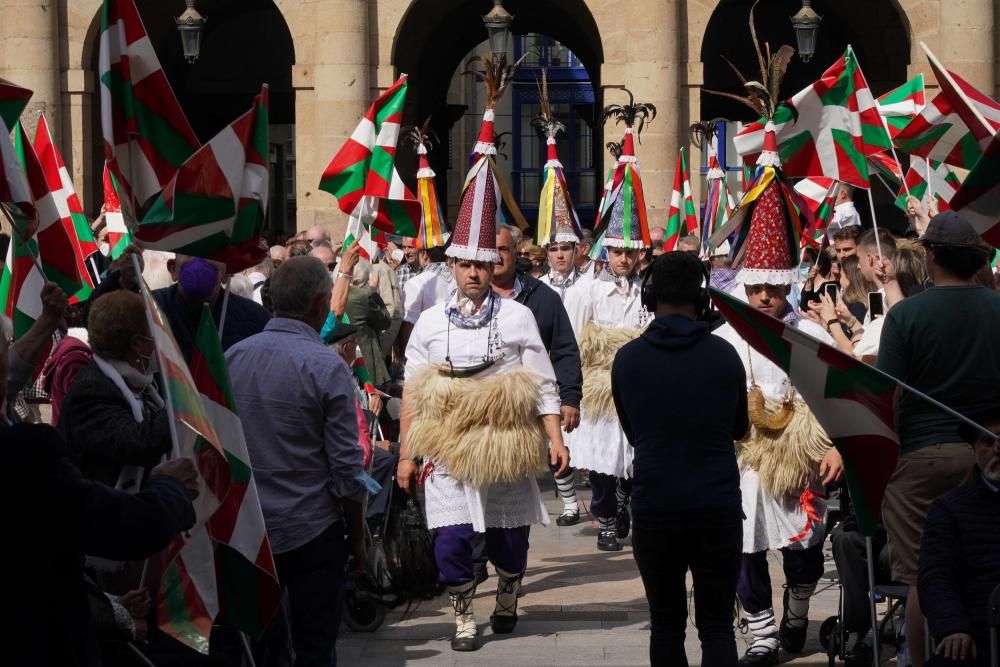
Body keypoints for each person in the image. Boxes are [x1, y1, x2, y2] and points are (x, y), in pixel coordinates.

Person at [396, 104, 570, 653]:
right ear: (451, 264)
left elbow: (542, 381)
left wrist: (556, 437)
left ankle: (510, 589)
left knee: (509, 542)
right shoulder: (426, 322)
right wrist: (404, 454)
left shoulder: (518, 316)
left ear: (497, 264)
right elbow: (412, 394)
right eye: (465, 263)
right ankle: (464, 616)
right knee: (450, 541)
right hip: (447, 448)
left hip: (502, 445)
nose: (475, 272)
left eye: (484, 263)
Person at [710, 134, 844, 663]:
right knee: (744, 547)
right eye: (756, 286)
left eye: (774, 286)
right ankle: (762, 631)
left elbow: (837, 396)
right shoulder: (721, 338)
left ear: (788, 283)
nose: (765, 296)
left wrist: (826, 446)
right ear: (743, 283)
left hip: (798, 457)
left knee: (804, 550)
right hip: (742, 458)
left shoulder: (812, 336)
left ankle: (796, 610)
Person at [2, 318, 198, 667]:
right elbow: (120, 523)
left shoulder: (137, 384)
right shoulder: (26, 453)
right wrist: (170, 485)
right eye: (7, 347)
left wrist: (108, 604)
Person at [225, 256, 369, 666]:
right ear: (321, 305)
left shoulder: (234, 357)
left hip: (253, 528)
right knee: (314, 645)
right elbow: (346, 466)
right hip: (310, 529)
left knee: (263, 644)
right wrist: (357, 534)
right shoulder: (326, 366)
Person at [612, 252, 749, 667]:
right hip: (716, 505)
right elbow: (739, 428)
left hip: (657, 506)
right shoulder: (724, 355)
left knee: (666, 624)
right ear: (703, 299)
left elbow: (633, 431)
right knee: (717, 626)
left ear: (649, 297)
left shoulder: (628, 359)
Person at [876, 212, 1000, 667]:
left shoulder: (907, 314)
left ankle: (919, 658)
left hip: (924, 456)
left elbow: (883, 394)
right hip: (990, 455)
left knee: (920, 576)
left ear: (930, 256)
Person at [564, 121, 654, 552]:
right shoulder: (586, 289)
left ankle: (625, 499)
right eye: (616, 251)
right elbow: (574, 338)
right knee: (601, 457)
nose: (622, 258)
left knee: (635, 455)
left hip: (638, 381)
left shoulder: (647, 289)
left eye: (629, 251)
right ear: (605, 251)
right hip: (600, 385)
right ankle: (604, 515)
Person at [494, 225, 584, 525]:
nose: (495, 257)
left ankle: (568, 505)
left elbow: (564, 349)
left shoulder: (542, 298)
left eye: (503, 250)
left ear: (515, 253)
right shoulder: (462, 304)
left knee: (519, 493)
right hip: (484, 414)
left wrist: (569, 397)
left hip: (533, 404)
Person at [58, 291, 170, 491]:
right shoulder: (91, 389)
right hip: (97, 516)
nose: (161, 342)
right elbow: (135, 443)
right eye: (156, 332)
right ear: (137, 344)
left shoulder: (141, 384)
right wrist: (183, 406)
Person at [919, 409, 1000, 667]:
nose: (998, 448)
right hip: (978, 632)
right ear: (975, 449)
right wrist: (953, 628)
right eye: (988, 440)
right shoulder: (948, 509)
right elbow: (936, 575)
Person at [155, 255, 271, 361]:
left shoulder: (258, 322)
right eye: (189, 251)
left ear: (226, 273)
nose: (199, 261)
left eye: (211, 252)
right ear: (173, 269)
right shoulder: (150, 308)